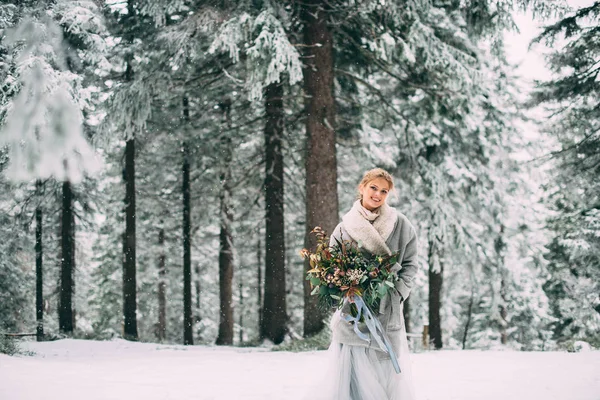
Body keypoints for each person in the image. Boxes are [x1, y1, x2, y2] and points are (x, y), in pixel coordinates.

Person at [320, 168, 418, 400]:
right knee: (353, 372)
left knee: (383, 368)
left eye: (384, 191)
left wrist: (398, 292)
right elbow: (330, 264)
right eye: (373, 188)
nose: (377, 194)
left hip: (386, 308)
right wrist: (344, 286)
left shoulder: (401, 224)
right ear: (362, 187)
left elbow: (411, 263)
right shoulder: (345, 227)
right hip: (354, 310)